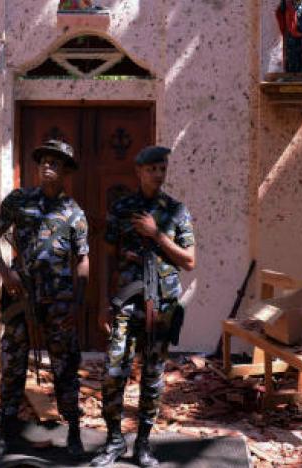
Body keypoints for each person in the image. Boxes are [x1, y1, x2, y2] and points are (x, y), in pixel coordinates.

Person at [91, 146, 195, 467]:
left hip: (161, 306)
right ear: (138, 171)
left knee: (153, 375)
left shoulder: (176, 211)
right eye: (152, 168)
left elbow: (189, 260)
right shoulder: (121, 208)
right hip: (125, 302)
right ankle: (113, 441)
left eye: (162, 168)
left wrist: (157, 234)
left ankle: (144, 444)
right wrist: (102, 303)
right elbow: (106, 256)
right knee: (113, 372)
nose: (158, 174)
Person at [0, 140, 89, 457]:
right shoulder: (18, 201)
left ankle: (73, 430)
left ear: (66, 171)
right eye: (44, 160)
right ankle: (5, 427)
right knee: (13, 362)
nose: (48, 165)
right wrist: (6, 274)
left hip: (58, 300)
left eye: (56, 162)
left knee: (65, 364)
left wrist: (78, 302)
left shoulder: (73, 213)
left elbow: (82, 258)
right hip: (19, 295)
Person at [276, 0, 302, 73]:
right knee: (292, 58)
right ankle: (291, 77)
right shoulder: (286, 3)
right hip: (291, 37)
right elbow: (279, 13)